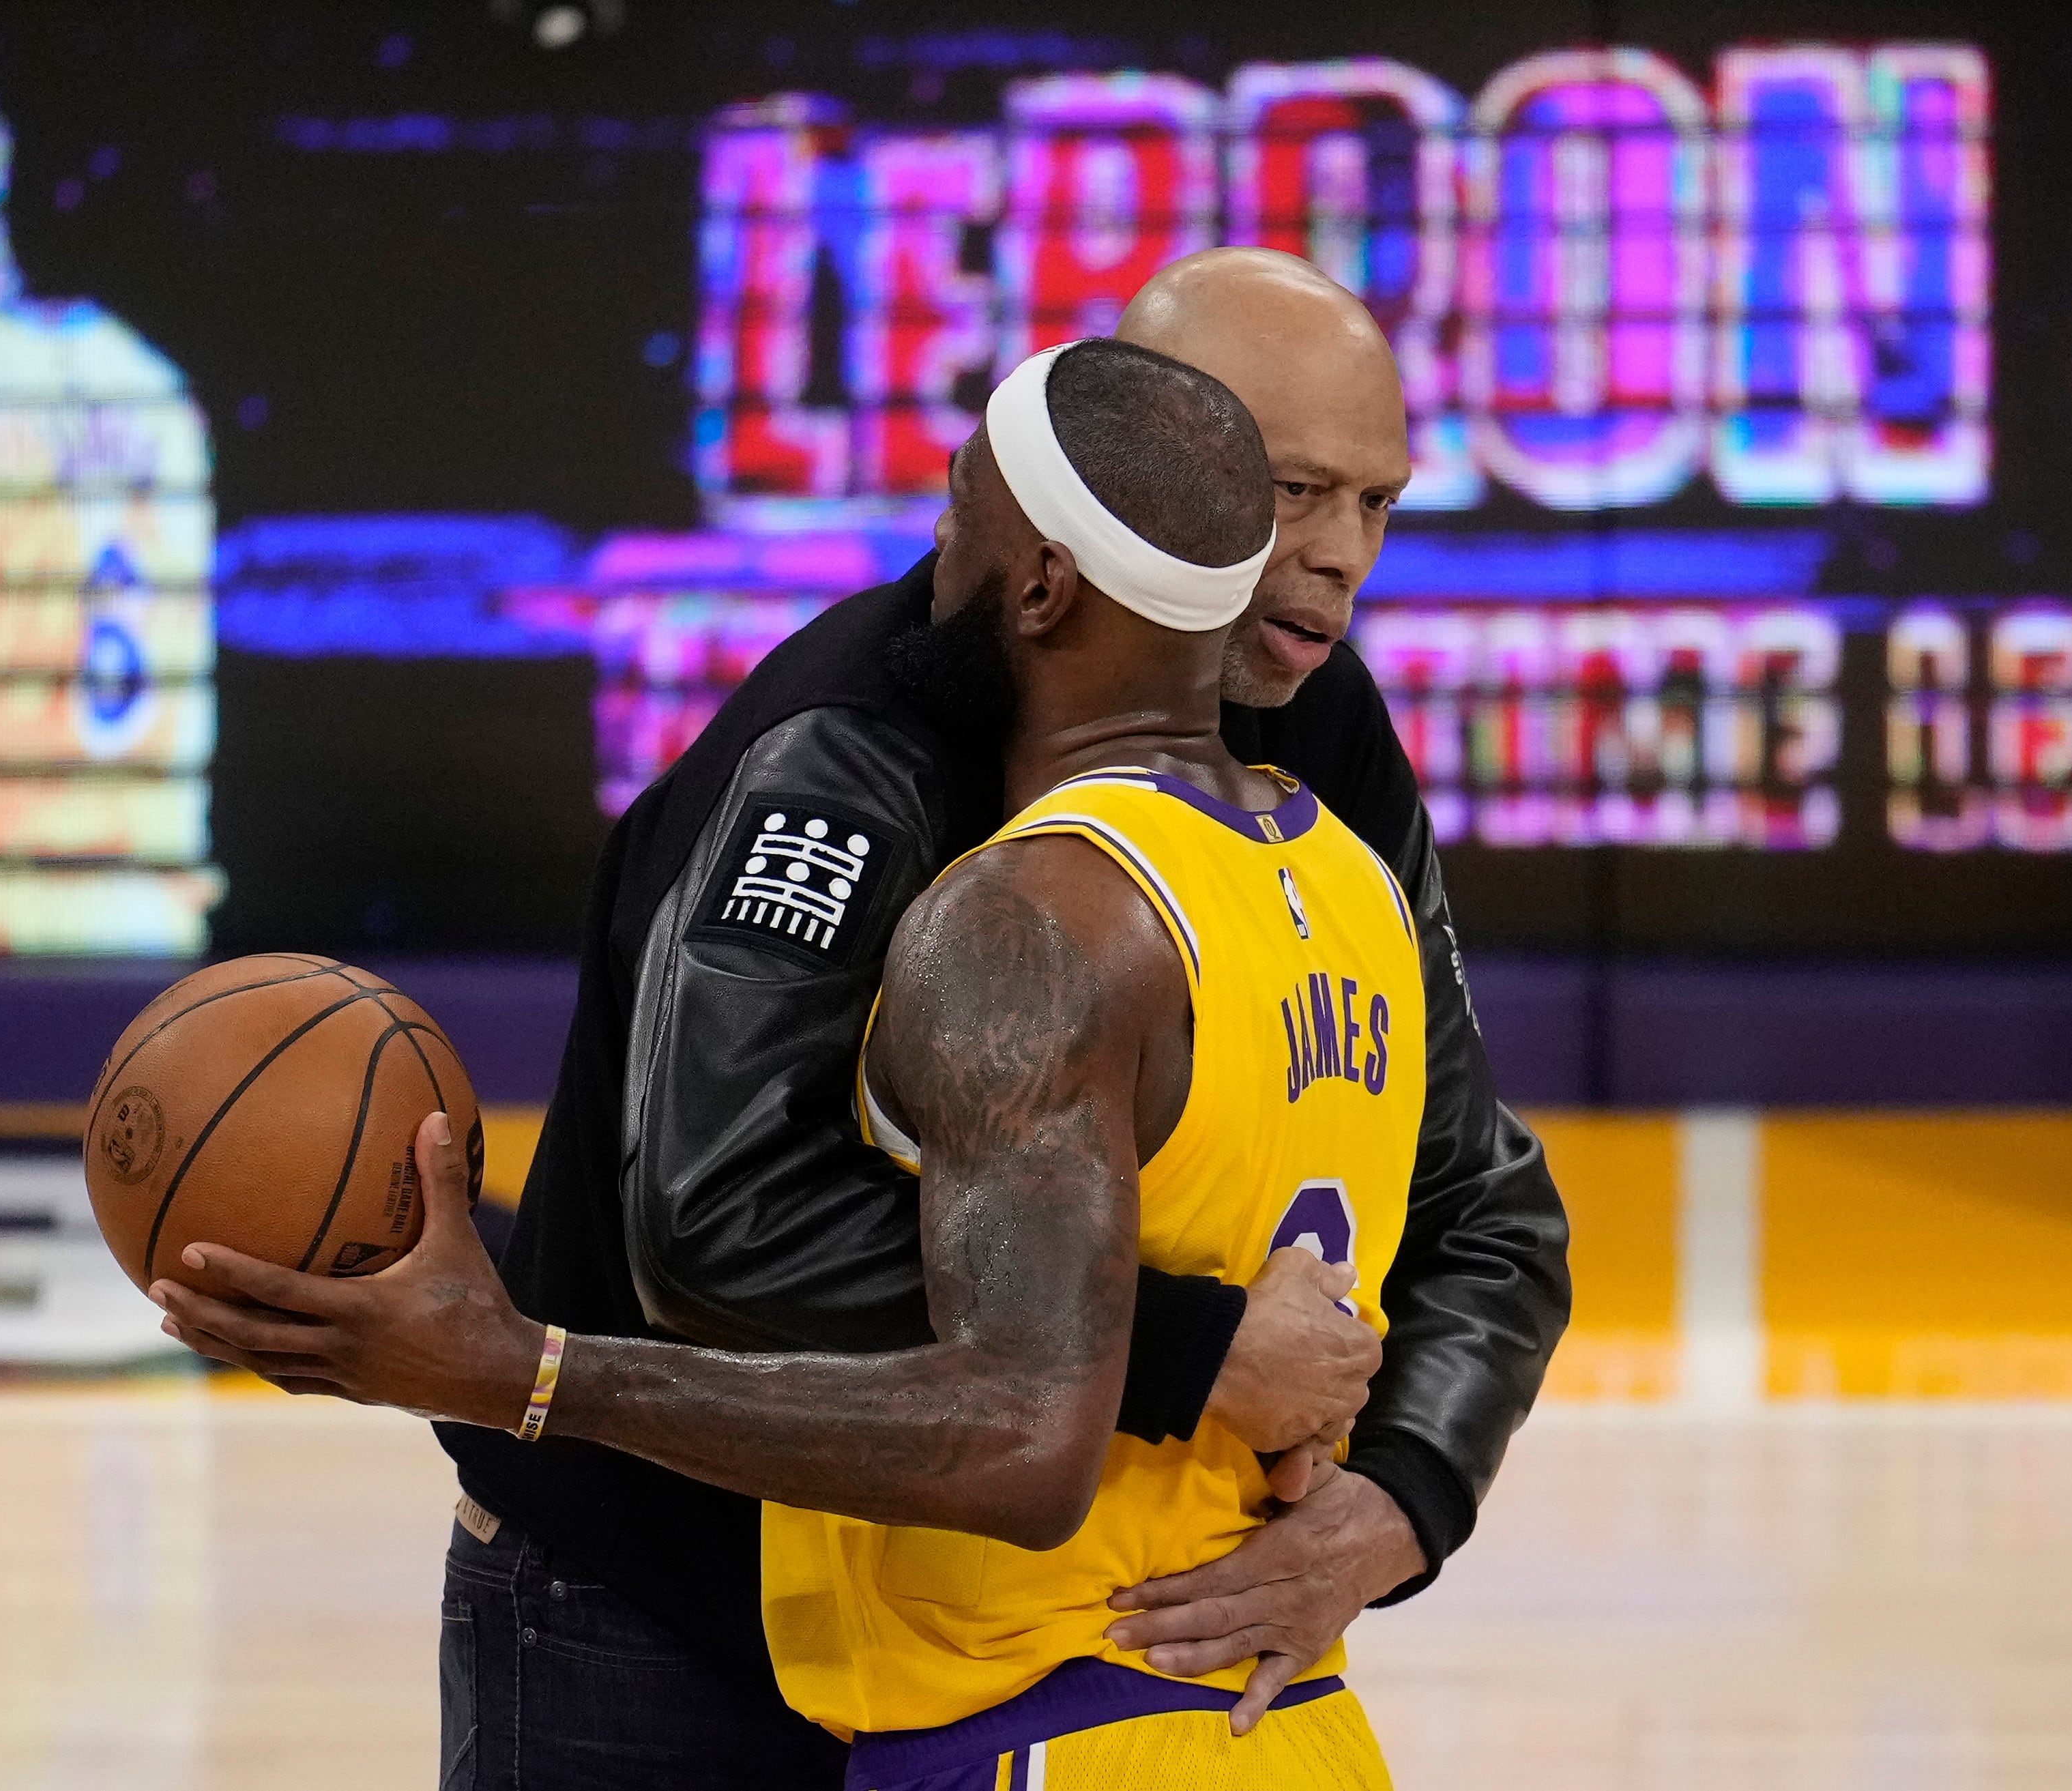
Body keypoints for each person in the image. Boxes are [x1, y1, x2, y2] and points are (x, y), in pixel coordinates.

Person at [154, 336, 1426, 1786]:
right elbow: (721, 1213)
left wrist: (1387, 1488)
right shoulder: (1318, 870)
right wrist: (1213, 1360)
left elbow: (1024, 1422)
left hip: (1026, 1685)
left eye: (955, 516)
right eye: (1309, 493)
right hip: (726, 1600)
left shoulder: (1060, 893)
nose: (928, 549)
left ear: (1042, 580)